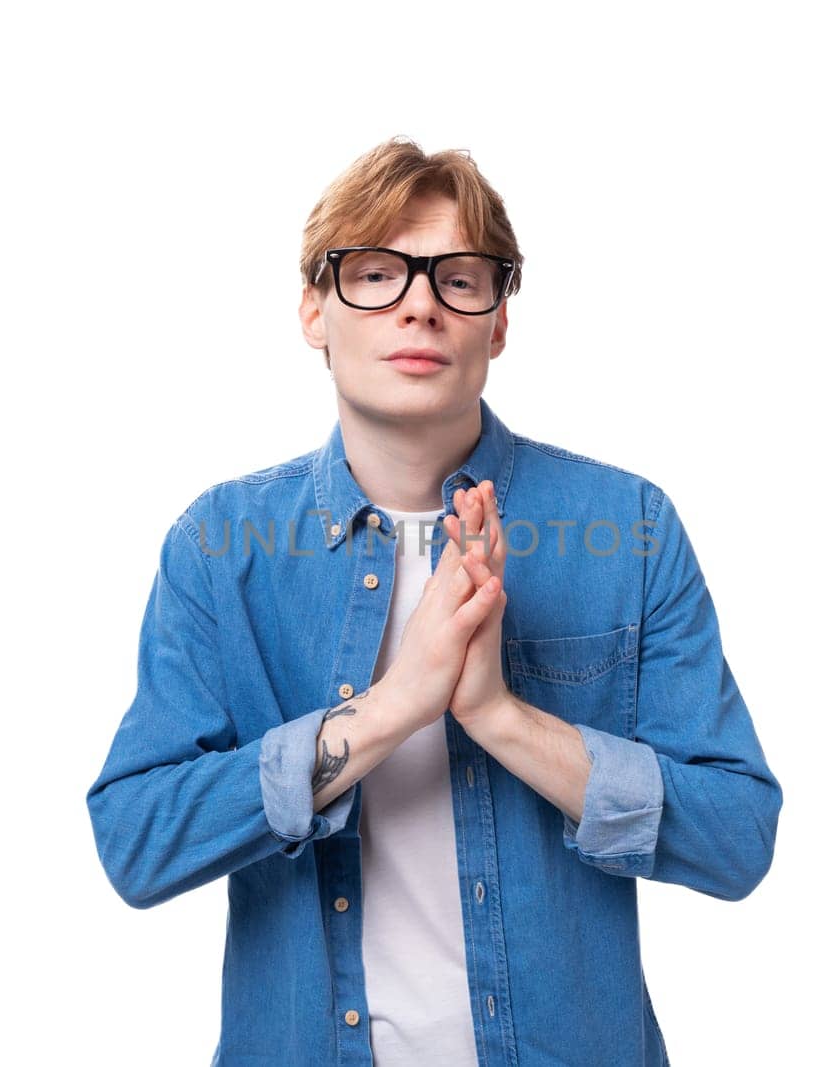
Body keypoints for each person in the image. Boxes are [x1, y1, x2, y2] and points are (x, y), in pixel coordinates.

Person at [86, 136, 783, 1066]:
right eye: (374, 272)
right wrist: (385, 712)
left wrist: (498, 716)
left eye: (458, 276)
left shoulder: (630, 527)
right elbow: (137, 840)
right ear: (313, 311)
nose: (419, 302)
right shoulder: (223, 547)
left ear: (497, 321)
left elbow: (738, 836)